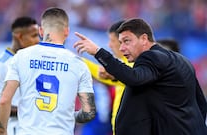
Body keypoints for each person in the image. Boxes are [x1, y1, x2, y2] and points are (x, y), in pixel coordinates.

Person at [73, 18, 207, 135]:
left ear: (144, 39)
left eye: (126, 41)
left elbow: (134, 77)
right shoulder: (182, 60)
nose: (122, 48)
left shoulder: (150, 57)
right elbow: (200, 102)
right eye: (120, 42)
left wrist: (98, 52)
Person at [0, 7, 96, 135]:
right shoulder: (79, 64)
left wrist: (3, 132)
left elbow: (4, 101)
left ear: (41, 31)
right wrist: (67, 117)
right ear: (67, 31)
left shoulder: (21, 57)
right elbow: (89, 112)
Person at [81, 20, 133, 135]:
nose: (109, 45)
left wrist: (80, 60)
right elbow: (102, 74)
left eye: (112, 40)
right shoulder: (122, 66)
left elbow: (122, 74)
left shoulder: (134, 66)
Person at [0, 16, 39, 135]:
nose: (38, 40)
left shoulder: (32, 59)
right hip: (16, 128)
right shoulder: (3, 64)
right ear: (19, 37)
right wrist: (29, 111)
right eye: (33, 36)